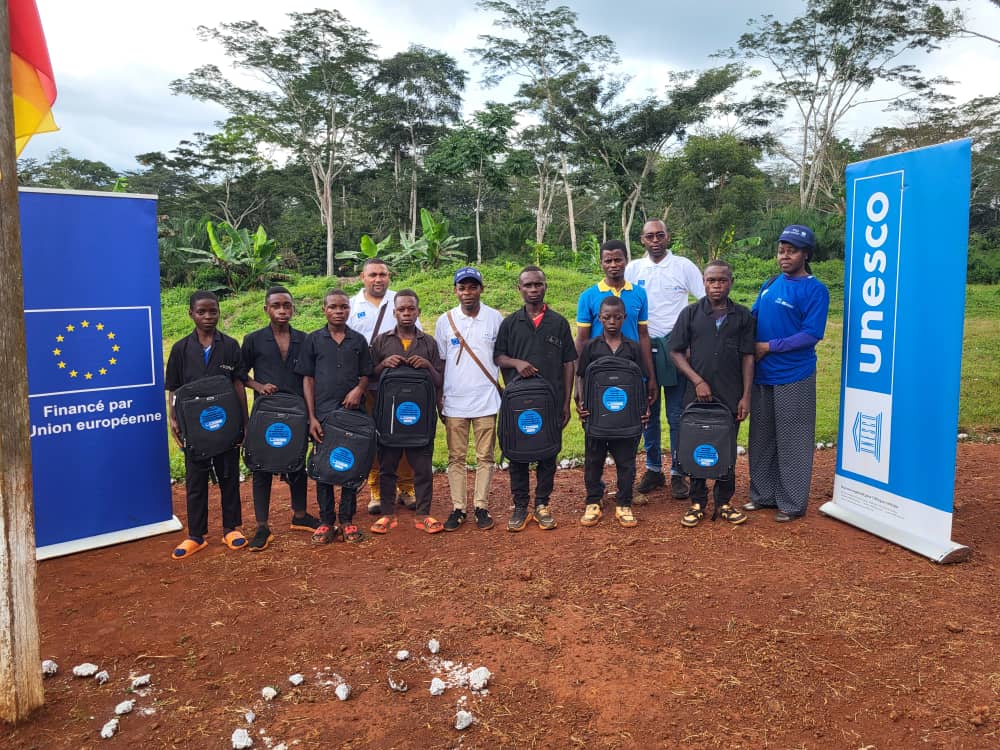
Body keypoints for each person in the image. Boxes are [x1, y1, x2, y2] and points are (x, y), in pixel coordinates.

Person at [744, 225, 830, 522]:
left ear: (806, 254)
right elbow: (753, 317)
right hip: (762, 374)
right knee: (762, 437)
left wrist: (769, 346)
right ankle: (762, 495)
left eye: (791, 251)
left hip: (795, 374)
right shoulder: (770, 283)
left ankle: (791, 503)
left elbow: (811, 334)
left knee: (793, 439)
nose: (784, 256)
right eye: (781, 250)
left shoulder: (815, 290)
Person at [669, 260, 754, 527]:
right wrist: (697, 380)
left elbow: (748, 357)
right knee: (696, 444)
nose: (716, 286)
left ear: (731, 282)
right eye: (710, 280)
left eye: (721, 280)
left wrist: (746, 396)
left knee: (726, 448)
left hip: (730, 394)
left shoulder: (743, 316)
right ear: (703, 282)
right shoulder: (690, 314)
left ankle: (724, 502)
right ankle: (697, 502)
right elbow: (675, 351)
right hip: (696, 396)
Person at [165, 290, 249, 560]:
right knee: (196, 481)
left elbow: (238, 383)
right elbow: (174, 389)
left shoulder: (230, 345)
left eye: (213, 311)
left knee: (228, 477)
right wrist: (174, 419)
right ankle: (196, 535)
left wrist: (244, 423)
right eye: (201, 312)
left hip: (226, 424)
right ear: (191, 314)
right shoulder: (180, 349)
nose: (208, 316)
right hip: (194, 428)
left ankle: (230, 529)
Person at [625, 219, 705, 500]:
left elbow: (704, 301)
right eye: (650, 236)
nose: (655, 240)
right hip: (644, 348)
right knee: (649, 413)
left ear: (668, 237)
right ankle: (653, 469)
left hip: (676, 349)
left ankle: (678, 472)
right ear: (642, 240)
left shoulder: (683, 266)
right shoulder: (633, 269)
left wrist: (693, 341)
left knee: (676, 414)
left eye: (660, 235)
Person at [494, 266, 577, 532]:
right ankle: (520, 506)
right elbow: (498, 357)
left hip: (550, 402)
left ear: (545, 287)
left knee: (547, 454)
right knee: (517, 454)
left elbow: (568, 363)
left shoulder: (559, 323)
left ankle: (542, 504)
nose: (533, 290)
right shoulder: (510, 323)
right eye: (527, 285)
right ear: (519, 289)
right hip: (518, 403)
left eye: (537, 285)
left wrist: (565, 402)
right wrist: (517, 363)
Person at [241, 286, 319, 552]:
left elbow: (310, 377)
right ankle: (262, 526)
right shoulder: (253, 339)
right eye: (276, 306)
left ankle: (300, 515)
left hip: (296, 412)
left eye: (287, 305)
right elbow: (241, 374)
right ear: (266, 309)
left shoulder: (304, 339)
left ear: (293, 309)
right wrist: (258, 386)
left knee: (296, 463)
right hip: (265, 412)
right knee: (261, 467)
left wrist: (311, 415)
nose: (282, 310)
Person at [297, 289, 373, 543]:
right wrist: (312, 417)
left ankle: (348, 519)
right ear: (324, 310)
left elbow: (366, 373)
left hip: (352, 413)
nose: (338, 311)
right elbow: (307, 378)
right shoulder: (313, 340)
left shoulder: (358, 341)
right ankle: (326, 520)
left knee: (349, 463)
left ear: (349, 310)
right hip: (324, 413)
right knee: (324, 467)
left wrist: (358, 390)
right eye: (333, 307)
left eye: (343, 307)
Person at [434, 267, 504, 532]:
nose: (467, 292)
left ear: (481, 289)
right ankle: (458, 508)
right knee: (456, 457)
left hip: (486, 400)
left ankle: (481, 506)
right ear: (455, 291)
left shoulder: (494, 318)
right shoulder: (445, 321)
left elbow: (500, 357)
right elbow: (441, 363)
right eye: (462, 287)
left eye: (472, 287)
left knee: (485, 456)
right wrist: (440, 399)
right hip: (455, 402)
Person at [369, 290, 444, 535]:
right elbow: (370, 376)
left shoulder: (428, 343)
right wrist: (382, 364)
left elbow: (439, 379)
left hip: (420, 417)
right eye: (401, 309)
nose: (406, 313)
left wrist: (428, 365)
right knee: (387, 465)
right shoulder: (381, 341)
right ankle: (388, 514)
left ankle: (423, 514)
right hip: (389, 417)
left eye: (411, 309)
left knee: (422, 466)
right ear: (395, 313)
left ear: (418, 312)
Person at [348, 258, 417, 515]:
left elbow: (415, 338)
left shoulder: (400, 302)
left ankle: (407, 488)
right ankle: (376, 491)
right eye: (373, 275)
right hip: (365, 385)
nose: (378, 279)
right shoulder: (353, 306)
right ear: (362, 277)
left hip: (398, 385)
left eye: (383, 275)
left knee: (404, 434)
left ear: (389, 277)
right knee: (372, 439)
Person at [575, 296, 649, 529]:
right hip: (597, 417)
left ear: (624, 318)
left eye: (617, 317)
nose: (612, 321)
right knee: (593, 459)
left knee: (626, 461)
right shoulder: (591, 347)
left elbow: (641, 381)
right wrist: (580, 401)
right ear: (600, 318)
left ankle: (624, 502)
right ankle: (593, 501)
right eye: (607, 317)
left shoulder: (633, 348)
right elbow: (580, 376)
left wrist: (644, 407)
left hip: (626, 418)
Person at [575, 239, 656, 403]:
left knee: (632, 421)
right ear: (601, 264)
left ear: (626, 261)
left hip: (632, 368)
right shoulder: (588, 296)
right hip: (598, 372)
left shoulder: (639, 294)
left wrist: (650, 376)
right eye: (608, 261)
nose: (613, 265)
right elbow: (582, 340)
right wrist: (578, 383)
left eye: (618, 260)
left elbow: (644, 336)